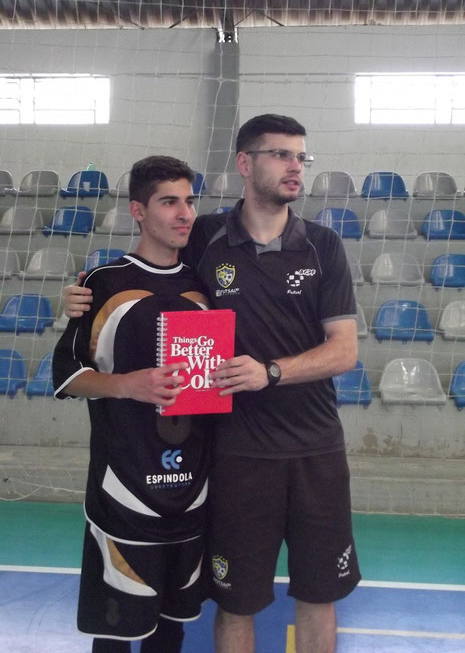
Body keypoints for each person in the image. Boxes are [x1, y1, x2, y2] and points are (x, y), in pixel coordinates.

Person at [64, 114, 361, 653]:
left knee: (320, 595)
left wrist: (269, 372)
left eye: (301, 157)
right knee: (236, 600)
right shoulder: (204, 237)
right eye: (281, 155)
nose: (295, 167)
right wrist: (82, 295)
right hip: (236, 455)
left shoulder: (323, 245)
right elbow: (145, 266)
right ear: (246, 164)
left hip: (317, 448)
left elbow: (345, 350)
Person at [53, 155, 211, 653]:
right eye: (169, 202)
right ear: (138, 211)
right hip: (123, 494)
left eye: (189, 201)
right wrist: (129, 385)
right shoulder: (101, 285)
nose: (184, 213)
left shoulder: (205, 287)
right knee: (117, 634)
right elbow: (68, 376)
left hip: (191, 493)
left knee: (171, 632)